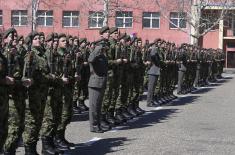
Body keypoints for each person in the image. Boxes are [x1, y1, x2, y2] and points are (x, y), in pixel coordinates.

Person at [88, 26, 110, 133]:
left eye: (109, 33)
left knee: (98, 106)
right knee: (93, 106)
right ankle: (94, 126)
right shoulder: (97, 48)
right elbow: (91, 59)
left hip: (101, 81)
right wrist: (98, 49)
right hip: (95, 81)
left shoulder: (103, 50)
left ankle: (98, 124)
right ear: (101, 35)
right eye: (106, 33)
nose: (108, 34)